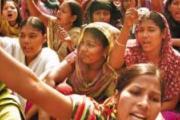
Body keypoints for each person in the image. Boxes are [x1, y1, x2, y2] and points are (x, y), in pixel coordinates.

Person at [0, 49, 163, 119]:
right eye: (135, 92)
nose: (144, 104)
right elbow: (34, 87)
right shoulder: (92, 115)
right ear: (116, 96)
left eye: (155, 99)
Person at [43, 8, 138, 103]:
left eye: (91, 45)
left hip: (98, 114)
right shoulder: (76, 58)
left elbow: (118, 49)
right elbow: (51, 77)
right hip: (68, 110)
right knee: (62, 89)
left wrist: (126, 27)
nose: (83, 49)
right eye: (82, 43)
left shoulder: (110, 68)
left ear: (106, 50)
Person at [121, 10, 180, 117]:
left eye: (151, 30)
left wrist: (147, 110)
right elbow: (113, 66)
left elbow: (172, 102)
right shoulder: (130, 51)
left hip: (160, 111)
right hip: (129, 107)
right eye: (140, 30)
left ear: (163, 33)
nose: (145, 35)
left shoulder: (176, 61)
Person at [0, 17, 60, 118]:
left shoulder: (50, 56)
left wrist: (27, 116)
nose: (26, 41)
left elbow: (47, 89)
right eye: (22, 36)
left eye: (32, 36)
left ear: (44, 38)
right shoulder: (14, 46)